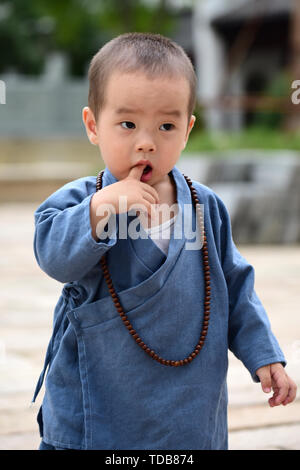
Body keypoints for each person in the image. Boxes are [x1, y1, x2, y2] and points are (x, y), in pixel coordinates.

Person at [32, 32, 297, 450]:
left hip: (187, 407)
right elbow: (52, 255)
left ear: (188, 130)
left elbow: (236, 287)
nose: (147, 141)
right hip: (99, 403)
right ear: (92, 126)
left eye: (167, 125)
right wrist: (103, 208)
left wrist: (264, 354)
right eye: (127, 124)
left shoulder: (204, 207)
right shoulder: (81, 200)